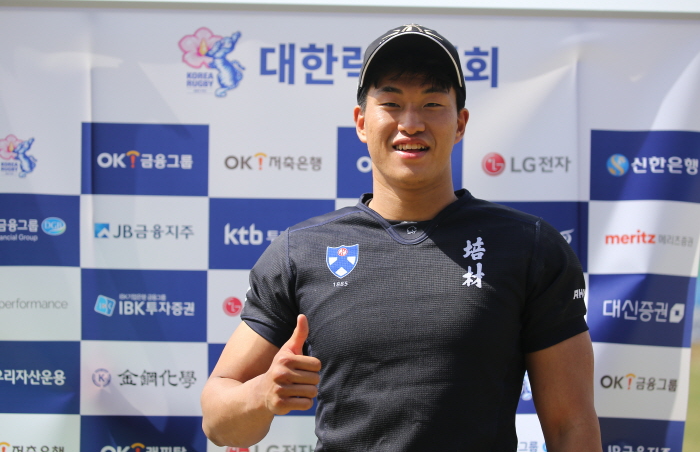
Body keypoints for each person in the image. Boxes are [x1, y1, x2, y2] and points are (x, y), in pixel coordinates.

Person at [201, 24, 601, 451]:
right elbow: (219, 423)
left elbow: (570, 426)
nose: (411, 123)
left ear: (460, 123)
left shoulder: (529, 247)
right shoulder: (301, 251)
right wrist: (262, 394)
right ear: (361, 122)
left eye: (432, 103)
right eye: (391, 103)